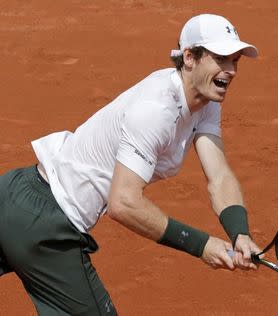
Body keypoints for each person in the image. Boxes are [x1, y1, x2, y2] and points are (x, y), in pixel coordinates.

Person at [0, 13, 261, 315]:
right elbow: (123, 202)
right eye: (221, 59)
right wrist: (201, 245)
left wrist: (239, 232)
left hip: (13, 193)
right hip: (47, 228)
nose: (231, 70)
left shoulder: (205, 101)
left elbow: (219, 175)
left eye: (235, 61)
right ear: (189, 57)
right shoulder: (157, 110)